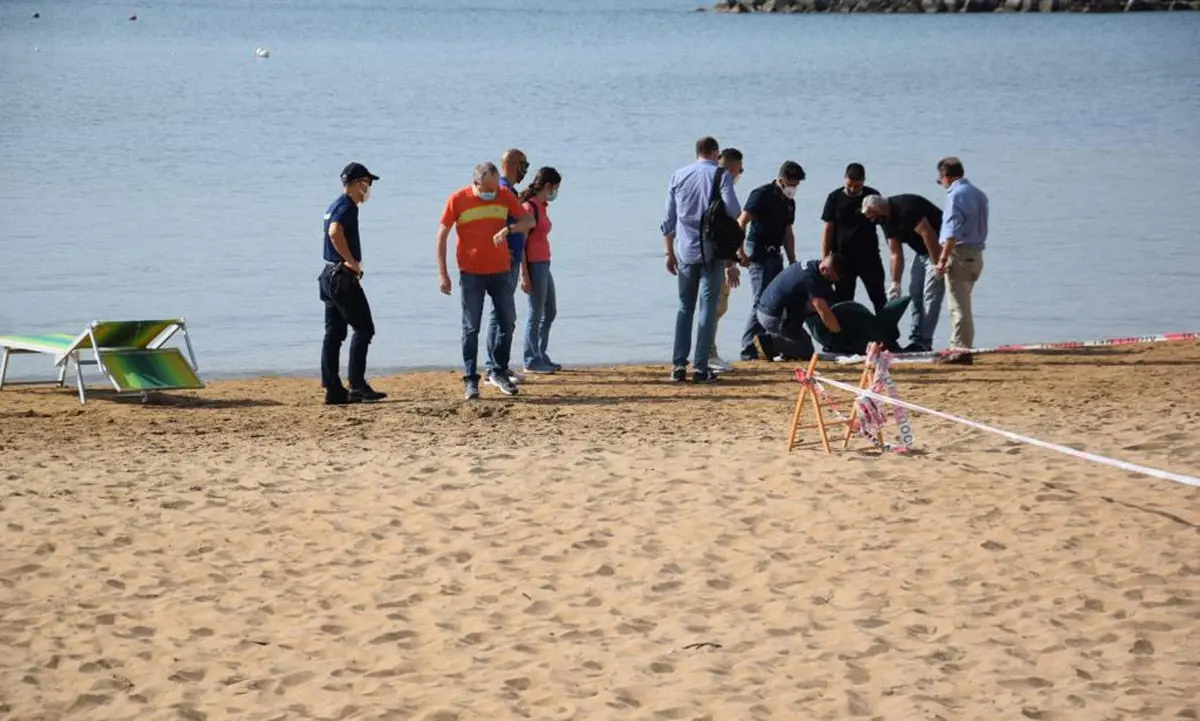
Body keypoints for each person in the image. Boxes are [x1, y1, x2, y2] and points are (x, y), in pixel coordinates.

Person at [437, 162, 536, 400]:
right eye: (488, 188)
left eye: (495, 187)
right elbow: (442, 235)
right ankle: (471, 380)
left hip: (501, 271)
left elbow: (529, 221)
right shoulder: (458, 199)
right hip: (471, 273)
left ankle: (498, 371)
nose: (494, 192)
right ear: (476, 183)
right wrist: (443, 273)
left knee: (507, 321)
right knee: (471, 328)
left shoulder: (503, 196)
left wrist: (508, 230)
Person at [660, 136, 742, 384]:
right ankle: (701, 367)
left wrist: (668, 252)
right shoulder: (721, 175)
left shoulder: (678, 175)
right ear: (715, 153)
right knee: (707, 307)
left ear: (697, 152)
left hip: (685, 250)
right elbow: (734, 210)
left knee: (685, 307)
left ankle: (678, 366)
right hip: (712, 251)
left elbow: (667, 220)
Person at [318, 162, 387, 405]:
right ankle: (356, 384)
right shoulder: (347, 206)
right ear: (358, 183)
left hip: (328, 276)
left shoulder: (335, 204)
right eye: (367, 183)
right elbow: (335, 232)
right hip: (341, 277)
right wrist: (352, 262)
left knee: (334, 333)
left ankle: (333, 388)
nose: (368, 189)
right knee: (364, 328)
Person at [861, 193, 944, 352]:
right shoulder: (885, 221)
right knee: (915, 294)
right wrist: (895, 283)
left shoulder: (906, 208)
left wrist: (937, 264)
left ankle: (924, 341)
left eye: (874, 218)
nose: (874, 222)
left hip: (938, 249)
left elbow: (928, 234)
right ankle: (915, 339)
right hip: (921, 253)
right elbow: (895, 254)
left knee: (930, 296)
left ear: (881, 209)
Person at [739, 160, 804, 361]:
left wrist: (793, 260)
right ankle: (748, 349)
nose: (793, 188)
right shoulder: (761, 194)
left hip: (776, 253)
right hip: (757, 252)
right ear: (781, 179)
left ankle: (773, 345)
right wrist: (739, 252)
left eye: (797, 185)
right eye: (791, 183)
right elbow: (741, 222)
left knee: (778, 300)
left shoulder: (789, 202)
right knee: (760, 301)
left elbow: (788, 232)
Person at [934, 156, 989, 364]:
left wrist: (942, 259)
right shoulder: (978, 194)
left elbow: (951, 233)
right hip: (976, 255)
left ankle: (961, 350)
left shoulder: (956, 195)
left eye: (940, 181)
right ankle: (957, 345)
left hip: (960, 254)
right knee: (963, 305)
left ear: (946, 177)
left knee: (958, 308)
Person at [484, 148, 531, 384]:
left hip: (511, 258)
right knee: (500, 315)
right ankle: (494, 368)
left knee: (500, 314)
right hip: (505, 260)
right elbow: (496, 223)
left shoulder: (509, 190)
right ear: (512, 163)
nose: (525, 170)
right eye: (523, 164)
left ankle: (497, 365)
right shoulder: (503, 189)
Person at [755, 255, 846, 361]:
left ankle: (784, 349)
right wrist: (839, 334)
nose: (835, 281)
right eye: (833, 278)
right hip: (773, 316)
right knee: (807, 351)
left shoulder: (813, 266)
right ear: (824, 269)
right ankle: (769, 342)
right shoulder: (811, 279)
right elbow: (823, 310)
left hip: (769, 309)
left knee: (805, 339)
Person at [821, 163, 886, 313]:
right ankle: (846, 335)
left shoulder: (872, 196)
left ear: (863, 181)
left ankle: (887, 334)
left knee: (879, 297)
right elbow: (828, 229)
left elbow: (884, 223)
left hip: (869, 257)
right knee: (844, 301)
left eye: (856, 186)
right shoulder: (834, 198)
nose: (852, 189)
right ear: (845, 179)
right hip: (842, 258)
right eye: (849, 185)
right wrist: (825, 258)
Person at [519, 167, 562, 374]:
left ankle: (540, 353)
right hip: (534, 265)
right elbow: (521, 245)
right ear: (548, 186)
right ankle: (530, 359)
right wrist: (524, 274)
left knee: (550, 311)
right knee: (535, 312)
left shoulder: (542, 206)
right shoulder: (529, 208)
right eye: (555, 188)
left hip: (545, 262)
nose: (556, 192)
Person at [708, 147, 744, 373]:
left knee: (716, 306)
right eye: (740, 169)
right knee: (716, 306)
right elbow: (727, 227)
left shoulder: (708, 185)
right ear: (732, 168)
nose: (740, 173)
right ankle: (709, 354)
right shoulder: (723, 187)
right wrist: (731, 264)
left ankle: (708, 352)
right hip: (716, 256)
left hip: (699, 252)